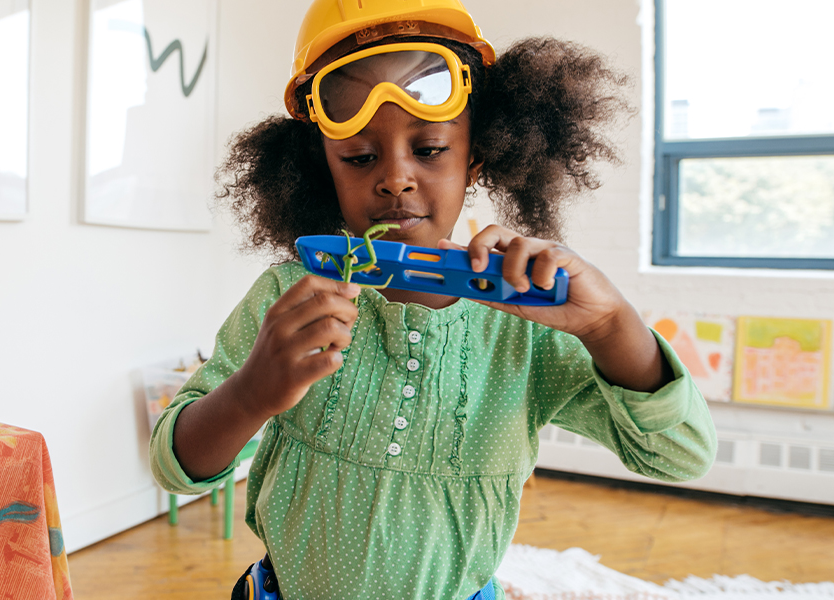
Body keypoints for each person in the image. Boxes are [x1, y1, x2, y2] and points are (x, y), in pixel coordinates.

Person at [150, 1, 717, 598]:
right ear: (323, 167)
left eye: (429, 150)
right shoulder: (288, 296)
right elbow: (174, 468)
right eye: (360, 157)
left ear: (475, 158)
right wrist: (252, 392)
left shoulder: (528, 322)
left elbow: (680, 458)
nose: (395, 177)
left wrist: (609, 326)